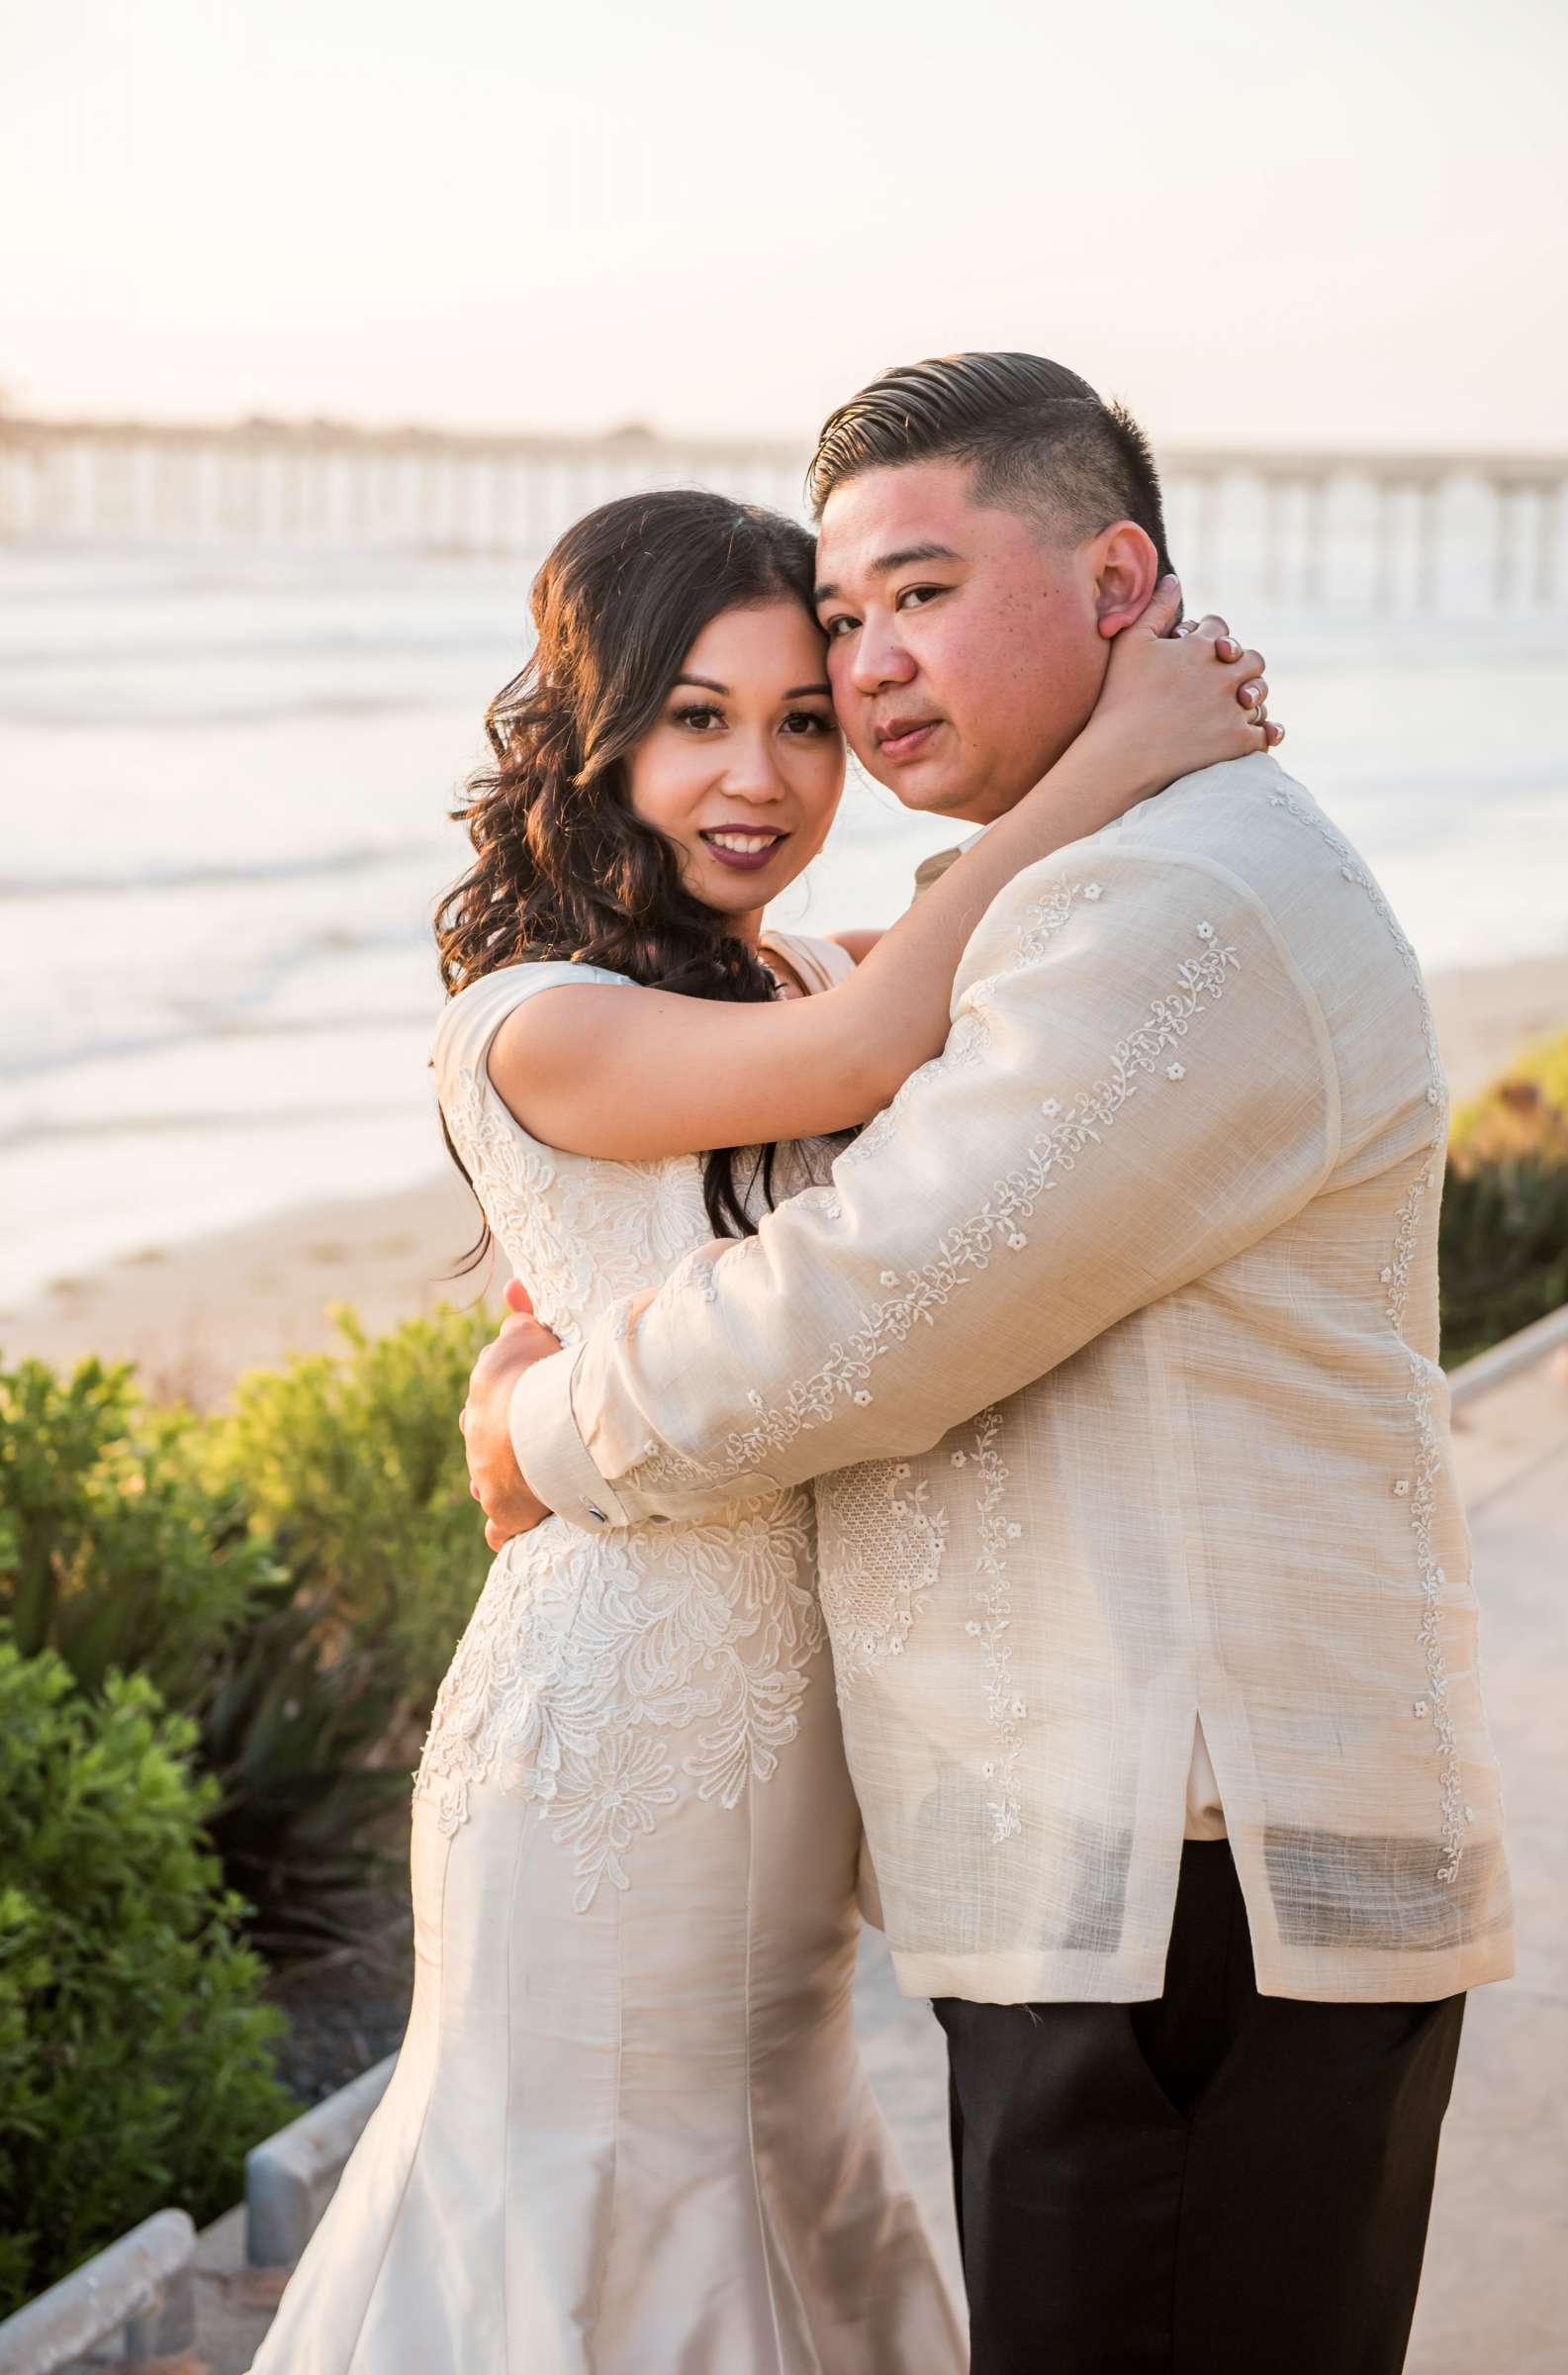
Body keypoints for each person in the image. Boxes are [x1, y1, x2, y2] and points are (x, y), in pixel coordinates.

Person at [464, 354, 1516, 2375]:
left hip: (1200, 1889)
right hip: (1145, 1863)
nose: (867, 668)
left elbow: (867, 1308)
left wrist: (542, 1418)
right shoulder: (1103, 879)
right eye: (842, 619)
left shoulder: (1179, 903)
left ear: (1120, 579)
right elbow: (886, 1043)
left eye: (922, 594)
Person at [248, 481, 1268, 2374]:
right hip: (607, 1721)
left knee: (775, 2162)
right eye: (700, 717)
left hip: (788, 1731)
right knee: (609, 2171)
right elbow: (871, 1057)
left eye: (806, 720)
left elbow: (957, 1038)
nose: (765, 774)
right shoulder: (532, 1022)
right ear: (592, 728)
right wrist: (1127, 742)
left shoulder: (797, 974)